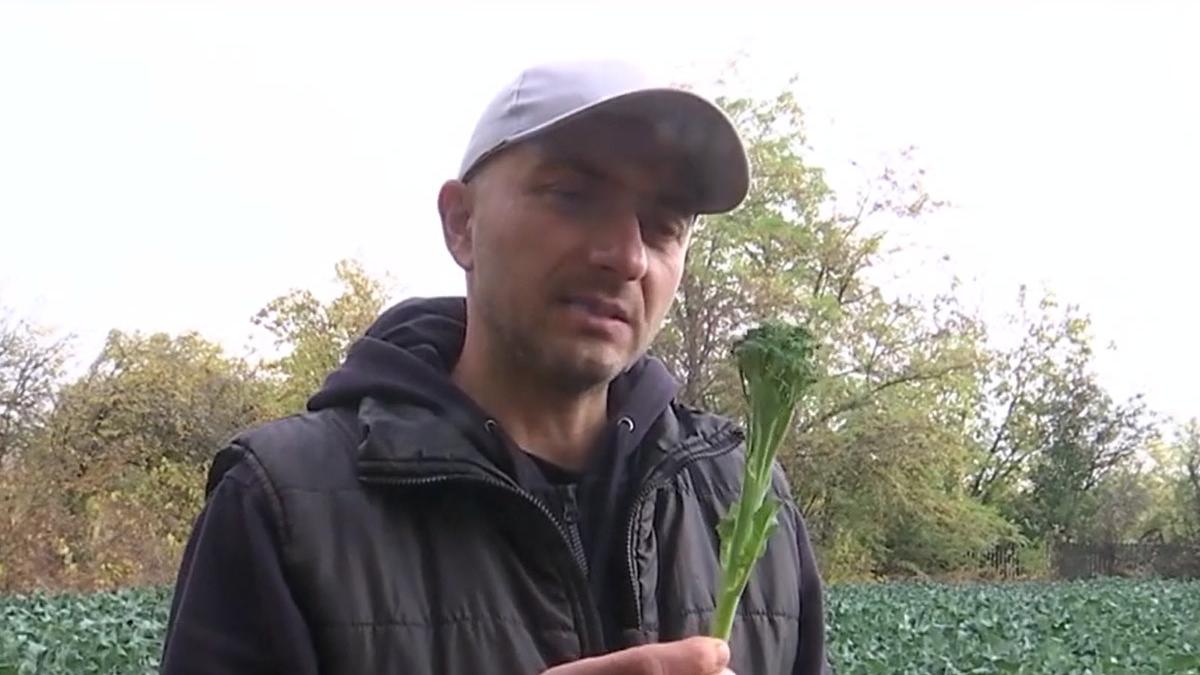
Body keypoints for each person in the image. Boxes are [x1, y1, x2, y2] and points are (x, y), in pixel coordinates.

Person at [159, 59, 829, 675]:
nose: (626, 256)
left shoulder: (744, 495)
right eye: (572, 195)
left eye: (662, 225)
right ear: (460, 223)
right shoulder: (282, 503)